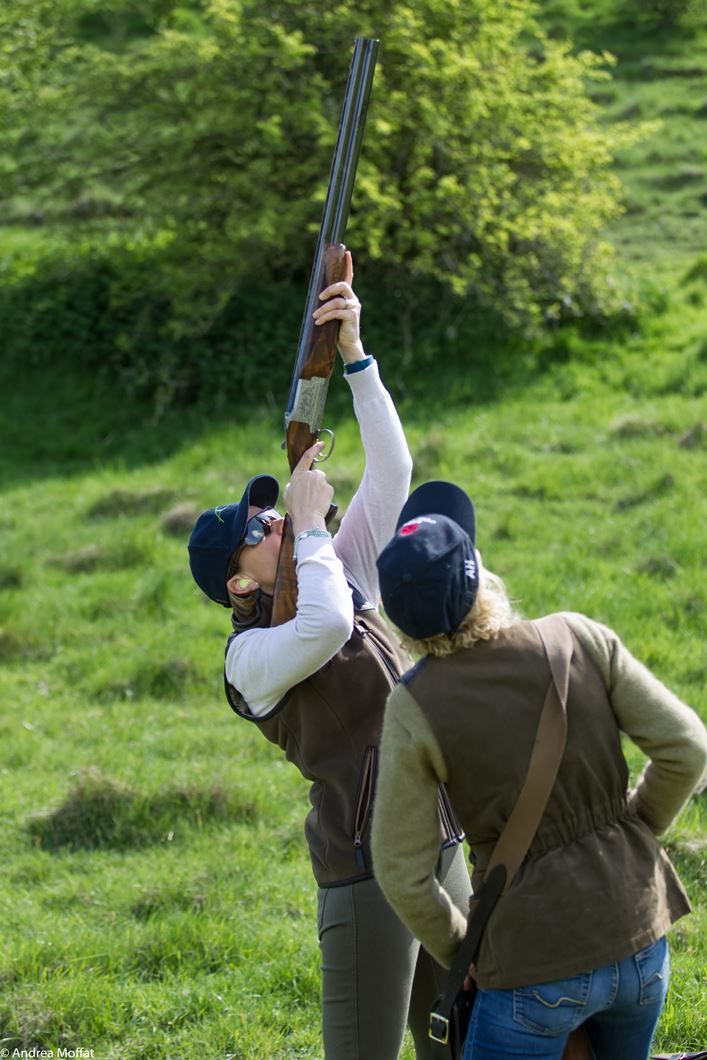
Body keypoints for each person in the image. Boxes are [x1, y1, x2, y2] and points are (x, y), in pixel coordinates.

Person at [187, 258, 471, 1060]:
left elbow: (394, 473)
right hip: (365, 875)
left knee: (461, 1045)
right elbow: (321, 628)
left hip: (441, 844)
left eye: (270, 512)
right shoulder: (250, 659)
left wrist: (354, 357)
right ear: (237, 582)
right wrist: (310, 532)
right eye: (257, 529)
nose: (274, 521)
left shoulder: (329, 571)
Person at [371, 480, 707, 1060]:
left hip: (530, 966)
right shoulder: (574, 636)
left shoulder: (413, 705)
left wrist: (461, 950)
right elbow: (687, 747)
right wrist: (637, 830)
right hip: (641, 937)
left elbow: (400, 870)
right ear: (479, 573)